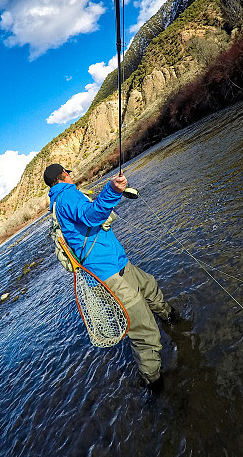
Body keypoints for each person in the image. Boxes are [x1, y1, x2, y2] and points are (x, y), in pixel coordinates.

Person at [44, 163, 177, 389]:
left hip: (117, 263)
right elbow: (92, 215)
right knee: (144, 329)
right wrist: (113, 190)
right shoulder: (67, 196)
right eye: (69, 172)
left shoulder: (60, 201)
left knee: (149, 286)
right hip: (106, 274)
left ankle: (172, 320)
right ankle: (154, 384)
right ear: (65, 174)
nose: (70, 175)